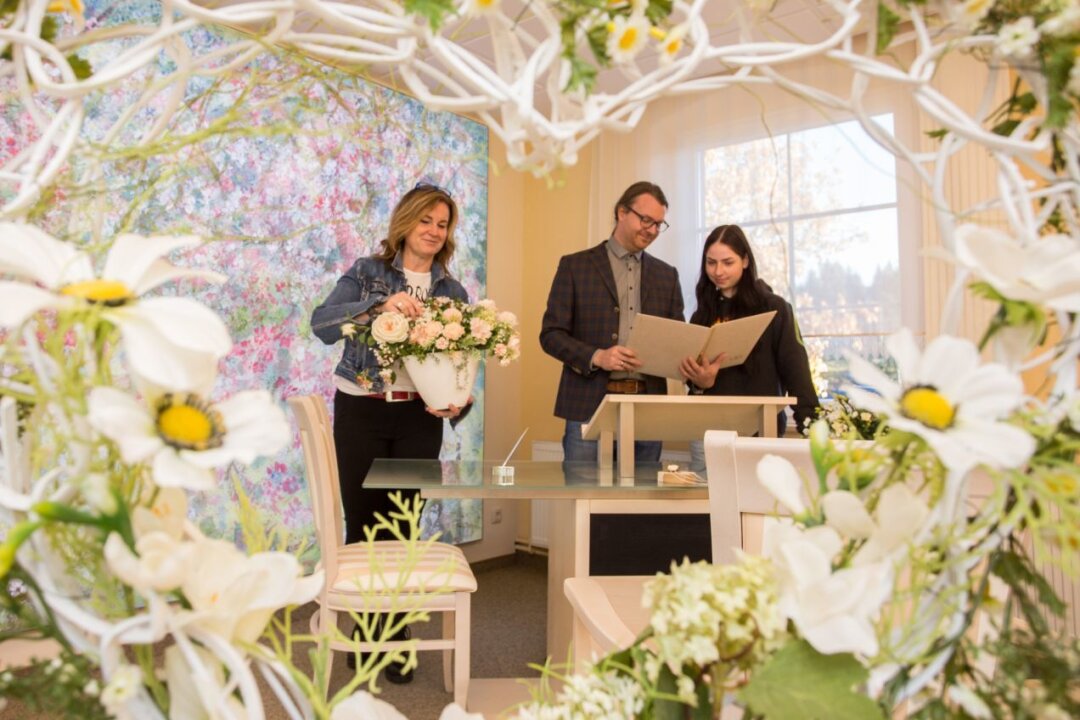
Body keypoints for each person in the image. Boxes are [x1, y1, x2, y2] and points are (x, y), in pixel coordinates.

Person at [310, 182, 470, 681]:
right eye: (426, 220)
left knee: (404, 526)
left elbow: (463, 364)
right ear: (406, 222)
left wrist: (457, 405)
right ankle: (369, 635)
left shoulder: (452, 292)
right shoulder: (367, 272)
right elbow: (322, 324)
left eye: (442, 224)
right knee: (363, 524)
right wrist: (378, 307)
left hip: (418, 419)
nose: (433, 231)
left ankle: (395, 637)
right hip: (361, 409)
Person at [540, 180, 684, 463]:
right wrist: (597, 356)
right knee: (585, 502)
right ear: (621, 212)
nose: (652, 230)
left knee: (641, 506)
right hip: (586, 407)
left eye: (659, 224)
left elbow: (676, 338)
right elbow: (551, 334)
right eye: (646, 220)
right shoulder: (575, 266)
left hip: (648, 412)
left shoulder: (667, 275)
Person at [680, 224, 820, 470]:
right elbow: (694, 383)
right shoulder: (701, 314)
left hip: (759, 431)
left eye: (727, 262)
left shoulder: (775, 308)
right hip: (707, 433)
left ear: (745, 261)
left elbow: (796, 371)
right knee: (707, 506)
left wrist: (812, 430)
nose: (718, 271)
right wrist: (700, 383)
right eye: (711, 263)